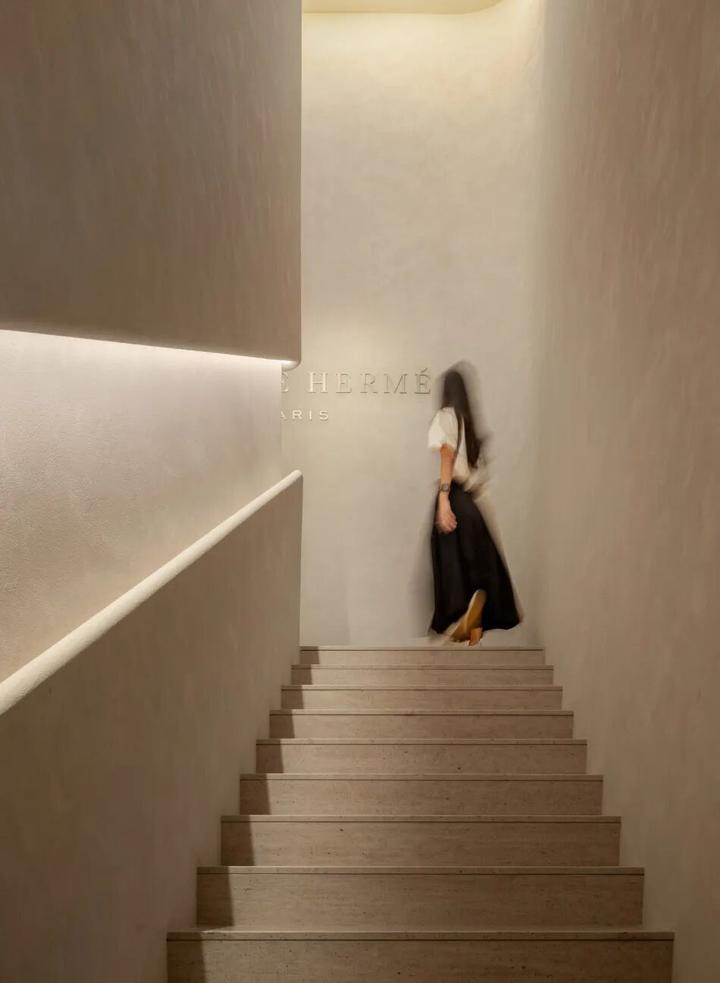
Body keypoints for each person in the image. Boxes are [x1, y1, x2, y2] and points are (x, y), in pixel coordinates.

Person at [428, 365, 521, 644]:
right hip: (472, 504)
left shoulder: (445, 417)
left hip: (455, 496)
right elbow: (479, 478)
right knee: (471, 562)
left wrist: (443, 499)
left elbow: (446, 456)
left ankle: (459, 617)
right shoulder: (472, 429)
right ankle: (473, 622)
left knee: (448, 562)